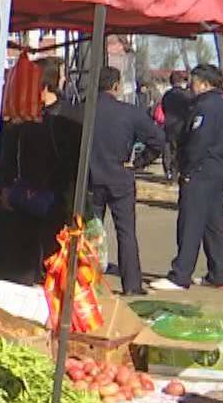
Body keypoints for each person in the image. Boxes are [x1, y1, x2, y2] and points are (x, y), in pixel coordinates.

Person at [67, 67, 165, 296]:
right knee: (126, 232)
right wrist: (140, 162)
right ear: (116, 86)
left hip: (89, 177)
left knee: (89, 233)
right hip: (120, 176)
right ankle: (131, 284)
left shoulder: (81, 111)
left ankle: (86, 281)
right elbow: (158, 139)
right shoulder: (129, 113)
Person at [0, 58, 80, 287]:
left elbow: (68, 168)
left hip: (46, 215)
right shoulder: (9, 121)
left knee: (42, 278)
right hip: (13, 221)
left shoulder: (65, 120)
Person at [153, 64, 223, 292]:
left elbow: (198, 141)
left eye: (193, 82)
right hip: (221, 170)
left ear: (202, 83)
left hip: (201, 171)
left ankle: (181, 274)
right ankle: (219, 272)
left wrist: (187, 168)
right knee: (214, 223)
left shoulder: (204, 108)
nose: (190, 86)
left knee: (190, 222)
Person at [159, 70, 193, 177]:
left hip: (169, 124)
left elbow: (164, 108)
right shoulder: (186, 95)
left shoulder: (167, 95)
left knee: (169, 149)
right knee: (180, 150)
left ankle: (169, 171)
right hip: (182, 125)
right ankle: (177, 171)